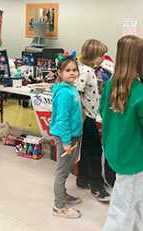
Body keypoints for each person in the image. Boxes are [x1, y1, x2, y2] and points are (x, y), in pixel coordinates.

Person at [99, 35, 143, 231]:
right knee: (122, 209)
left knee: (140, 200)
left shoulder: (110, 84)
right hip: (133, 158)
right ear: (141, 60)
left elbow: (104, 114)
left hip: (115, 152)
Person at [74, 39, 111, 202]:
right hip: (87, 117)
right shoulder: (86, 72)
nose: (103, 58)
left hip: (89, 115)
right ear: (92, 56)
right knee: (95, 151)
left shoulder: (88, 70)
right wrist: (82, 113)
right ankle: (97, 186)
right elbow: (77, 93)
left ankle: (83, 179)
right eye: (101, 55)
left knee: (85, 150)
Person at [49, 54, 83, 219]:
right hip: (65, 138)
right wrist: (67, 142)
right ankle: (59, 206)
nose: (72, 73)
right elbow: (62, 120)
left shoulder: (71, 88)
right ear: (59, 73)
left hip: (72, 136)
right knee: (62, 172)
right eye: (68, 70)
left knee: (65, 169)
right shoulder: (64, 93)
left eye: (74, 70)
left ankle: (63, 194)